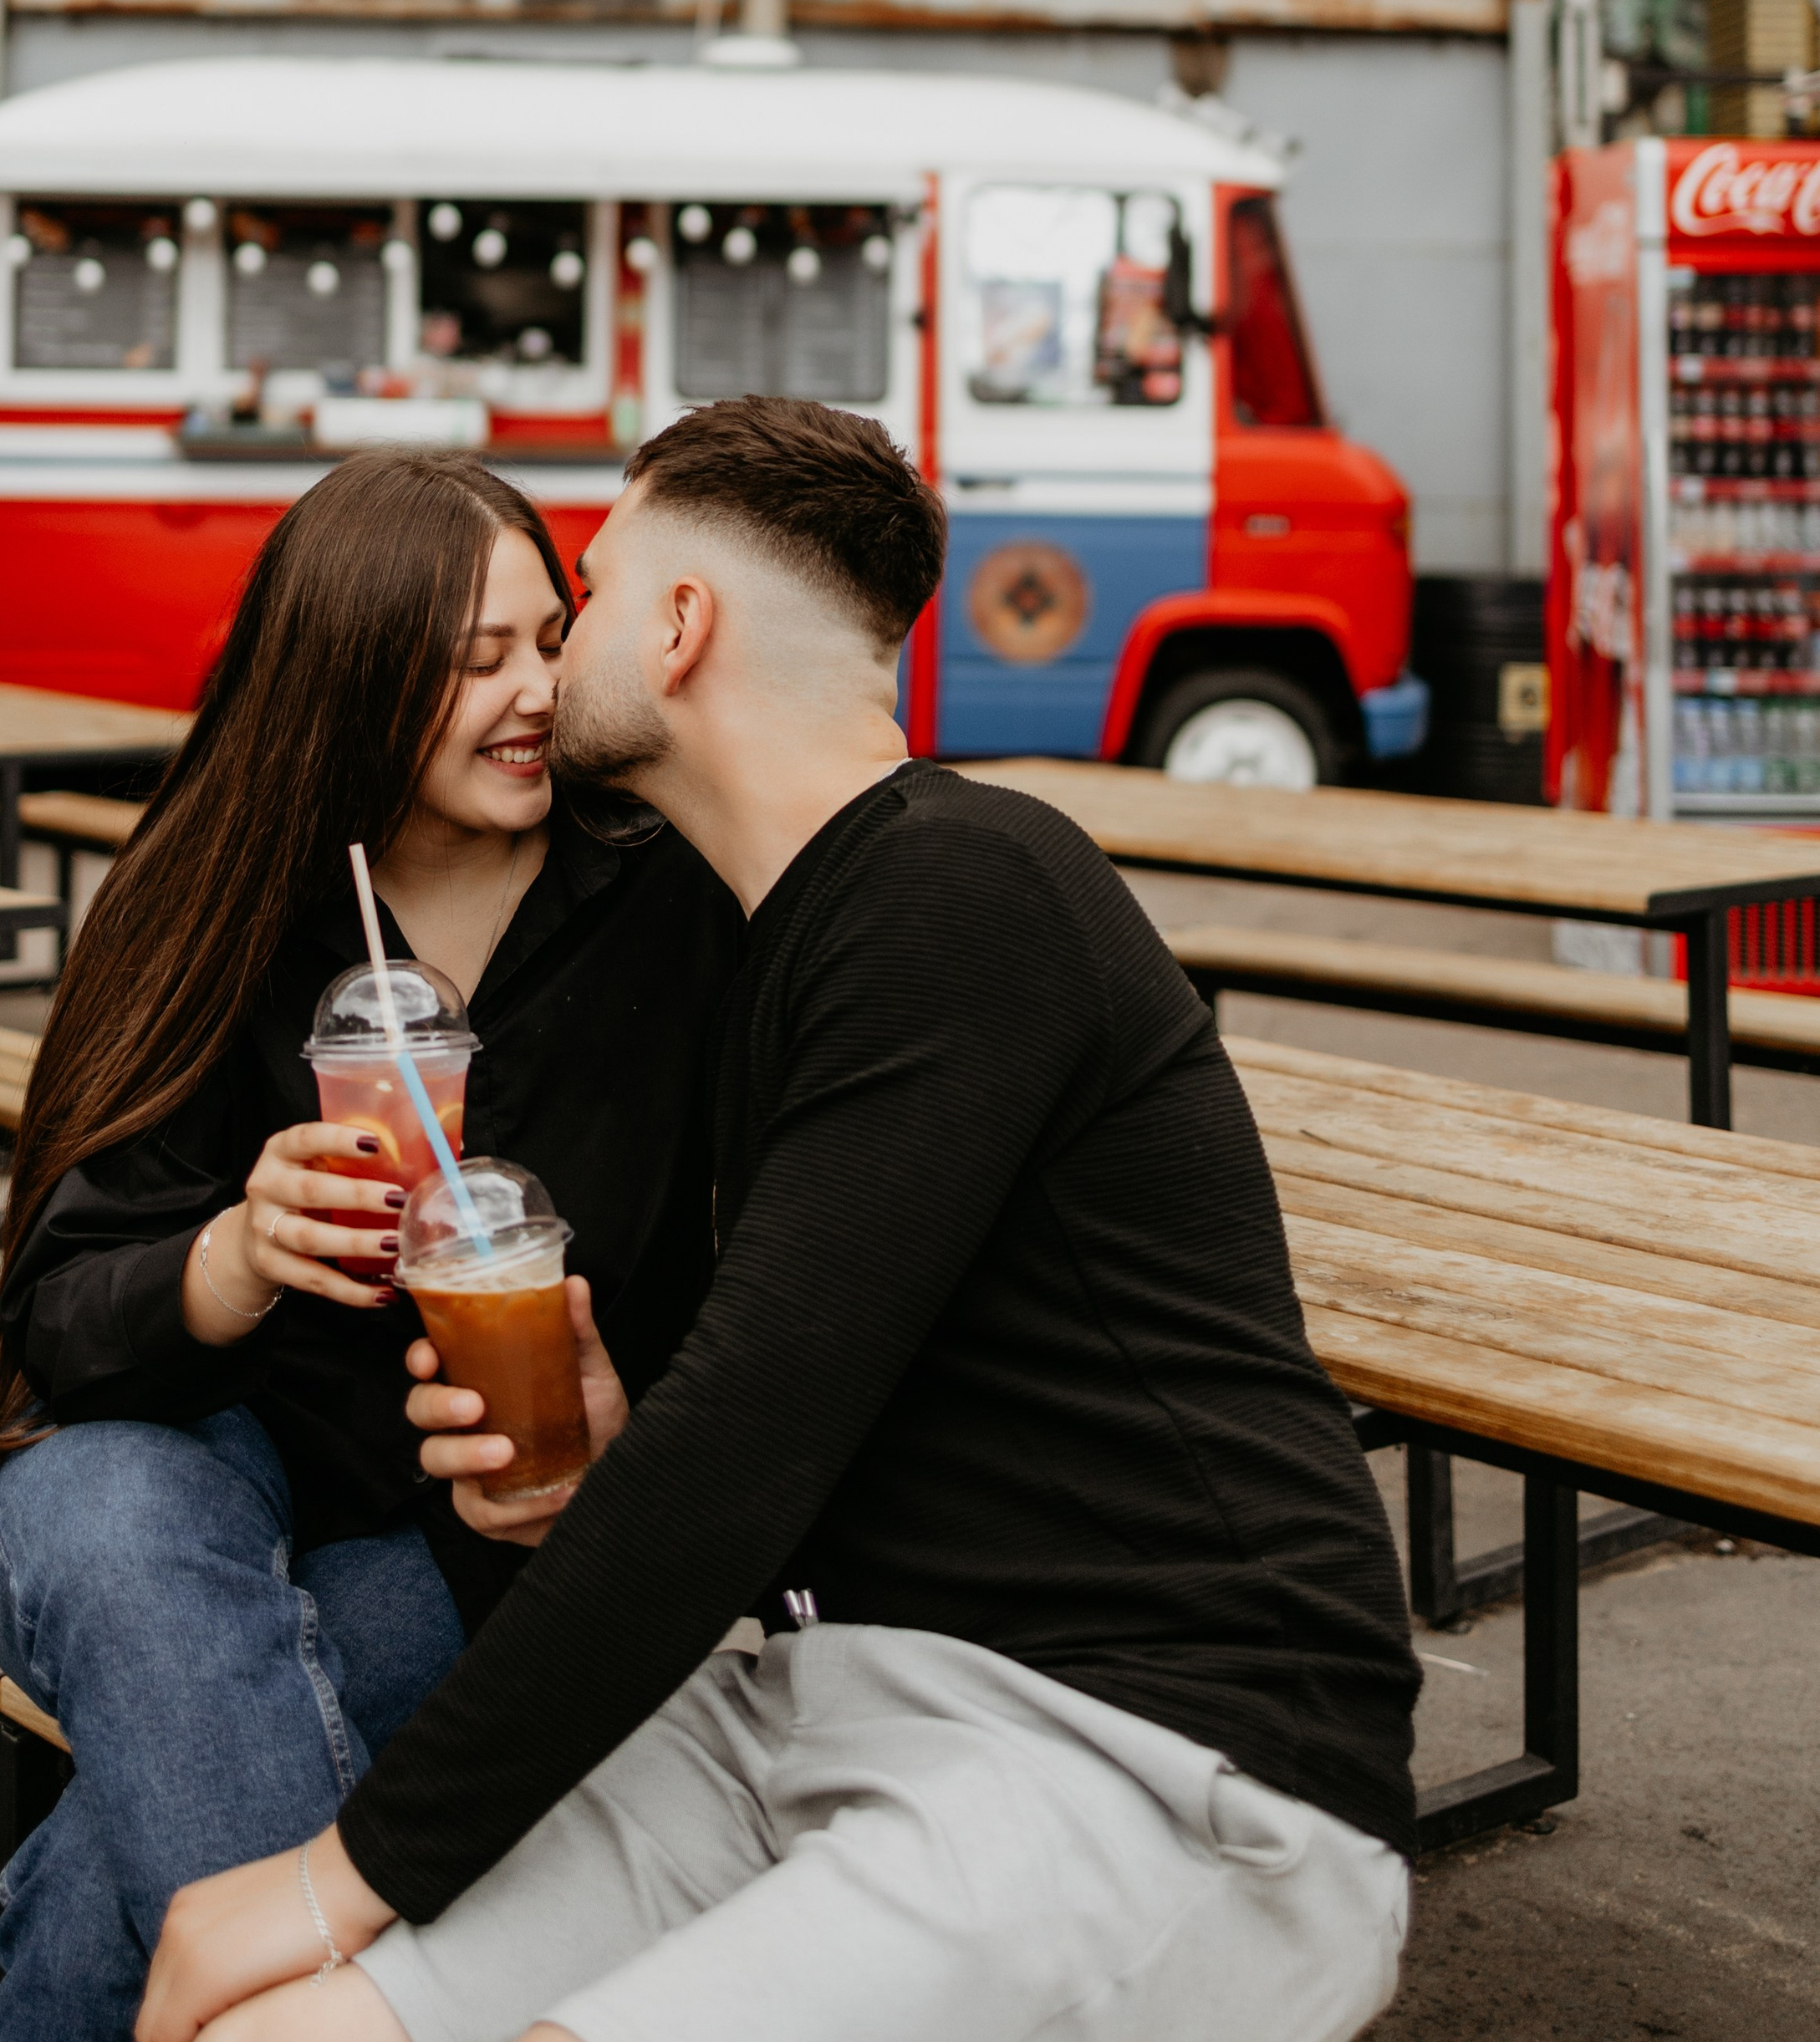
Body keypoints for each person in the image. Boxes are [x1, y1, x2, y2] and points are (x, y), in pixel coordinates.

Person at [133, 395, 1422, 2042]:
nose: (554, 654)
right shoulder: (776, 942)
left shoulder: (965, 888)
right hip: (818, 1703)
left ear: (677, 627)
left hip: (1161, 1758)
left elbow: (745, 1449)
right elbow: (821, 1409)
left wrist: (336, 1871)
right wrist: (619, 1437)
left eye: (585, 593)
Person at [0, 451, 742, 2042]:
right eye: (474, 663)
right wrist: (237, 1252)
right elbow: (58, 1323)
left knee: (113, 1859)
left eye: (549, 637)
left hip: (448, 1538)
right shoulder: (215, 895)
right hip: (165, 1477)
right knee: (117, 1525)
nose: (536, 692)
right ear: (351, 681)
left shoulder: (671, 900)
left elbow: (741, 1284)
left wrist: (610, 1445)